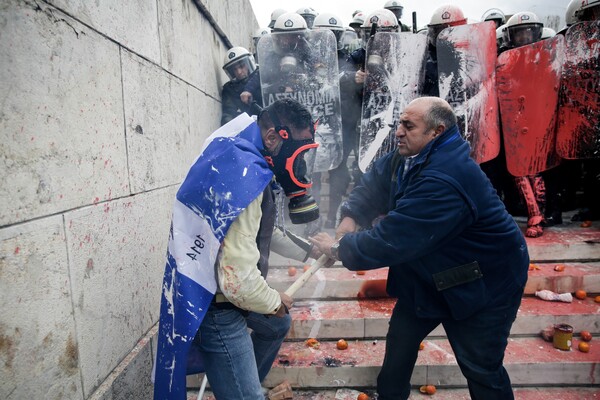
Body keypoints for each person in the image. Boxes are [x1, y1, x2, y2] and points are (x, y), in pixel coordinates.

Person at [310, 97, 529, 400]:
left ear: (436, 132)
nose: (399, 131)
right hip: (428, 273)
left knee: (481, 367)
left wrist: (339, 248)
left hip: (483, 281)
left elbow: (393, 237)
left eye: (408, 126)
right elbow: (375, 181)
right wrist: (350, 218)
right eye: (399, 123)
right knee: (398, 350)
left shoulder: (446, 177)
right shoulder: (409, 155)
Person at [154, 98, 319, 399]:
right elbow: (237, 281)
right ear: (272, 137)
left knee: (277, 324)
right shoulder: (247, 173)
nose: (299, 165)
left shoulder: (238, 148)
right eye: (296, 155)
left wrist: (310, 251)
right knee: (274, 320)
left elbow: (260, 231)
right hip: (217, 307)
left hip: (212, 290)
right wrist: (273, 300)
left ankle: (241, 385)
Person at [423, 4, 467, 96]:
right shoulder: (426, 59)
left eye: (441, 32)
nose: (442, 37)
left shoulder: (473, 54)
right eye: (436, 32)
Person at [221, 46, 258, 125]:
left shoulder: (260, 77)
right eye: (235, 69)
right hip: (246, 127)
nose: (239, 72)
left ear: (249, 63)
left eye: (241, 66)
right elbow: (228, 112)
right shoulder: (230, 89)